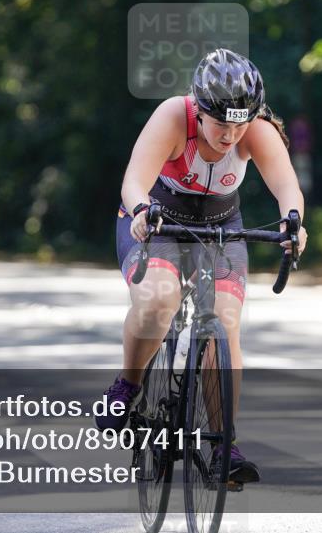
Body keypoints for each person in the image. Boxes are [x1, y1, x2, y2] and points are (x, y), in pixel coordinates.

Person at [95, 48, 308, 485]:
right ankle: (129, 384)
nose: (231, 135)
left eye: (240, 124)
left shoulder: (257, 130)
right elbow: (135, 180)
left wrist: (294, 224)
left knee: (225, 323)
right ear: (199, 107)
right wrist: (140, 210)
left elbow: (287, 187)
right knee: (159, 301)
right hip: (157, 220)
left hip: (220, 225)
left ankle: (223, 445)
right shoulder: (174, 117)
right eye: (221, 124)